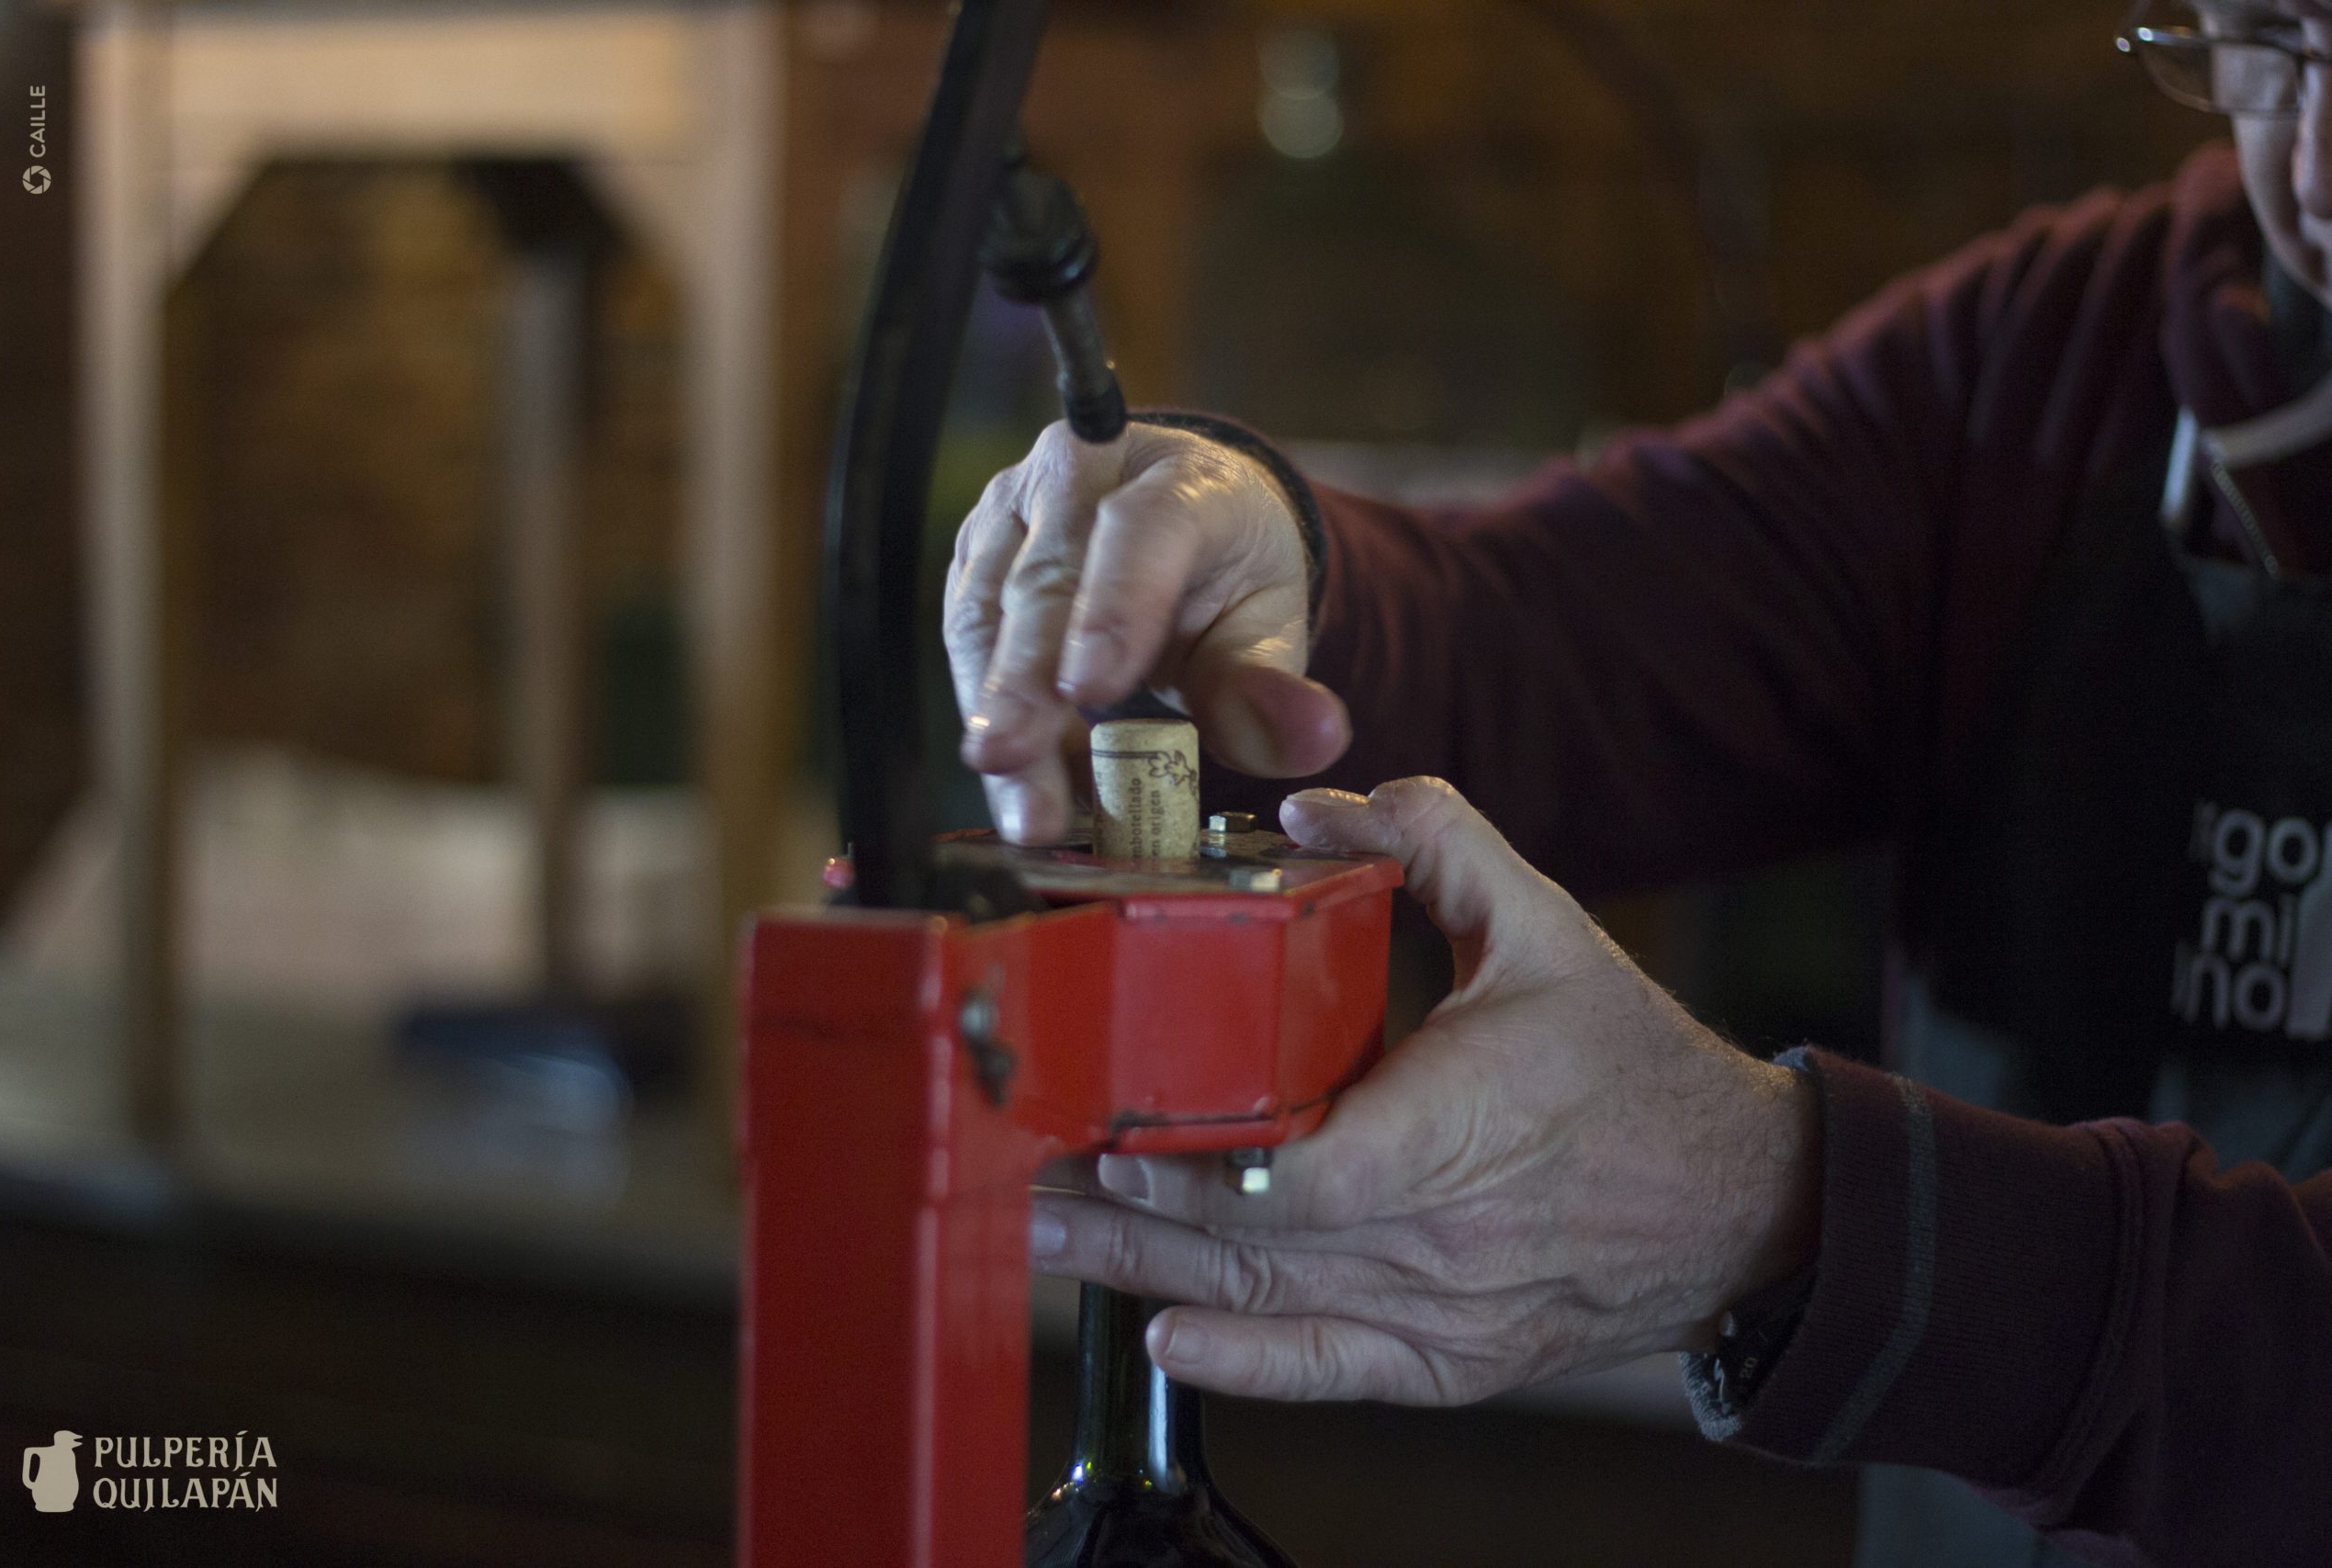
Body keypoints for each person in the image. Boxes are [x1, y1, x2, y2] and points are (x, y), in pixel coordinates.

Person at [942, 2, 2332, 1562]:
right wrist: (1267, 555)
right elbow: (1562, 630)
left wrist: (1782, 1207)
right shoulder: (2060, 365)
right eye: (2271, 38)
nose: (2318, 172)